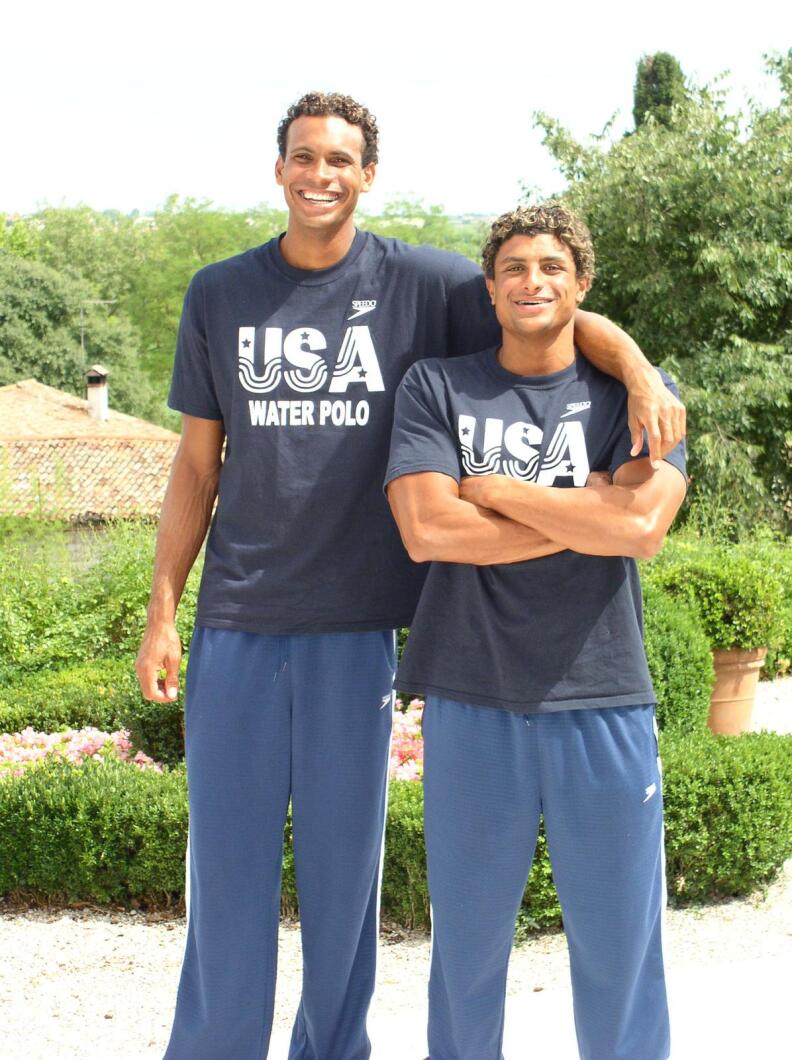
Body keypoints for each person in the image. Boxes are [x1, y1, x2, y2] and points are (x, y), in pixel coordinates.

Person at [135, 91, 685, 1060]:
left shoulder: (418, 282)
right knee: (228, 877)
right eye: (305, 157)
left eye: (340, 160)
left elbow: (549, 311)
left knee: (347, 883)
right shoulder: (222, 293)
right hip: (241, 614)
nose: (320, 175)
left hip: (361, 623)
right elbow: (197, 465)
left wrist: (635, 365)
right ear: (279, 169)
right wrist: (163, 609)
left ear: (368, 176)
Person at [385, 202, 687, 1060]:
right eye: (514, 267)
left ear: (582, 286)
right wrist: (589, 506)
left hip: (603, 697)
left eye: (552, 267)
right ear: (490, 287)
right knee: (469, 952)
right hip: (471, 697)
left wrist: (491, 487)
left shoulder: (641, 395)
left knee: (621, 949)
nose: (532, 281)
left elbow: (641, 530)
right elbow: (428, 532)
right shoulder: (435, 386)